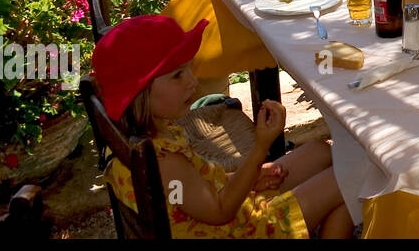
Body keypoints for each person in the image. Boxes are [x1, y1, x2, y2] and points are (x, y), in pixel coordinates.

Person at [93, 15, 353, 238]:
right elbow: (219, 211)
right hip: (241, 229)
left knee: (321, 151)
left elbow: (191, 191)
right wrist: (260, 147)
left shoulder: (148, 135)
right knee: (350, 177)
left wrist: (252, 177)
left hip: (226, 211)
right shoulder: (164, 162)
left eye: (188, 70)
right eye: (177, 75)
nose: (192, 82)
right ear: (139, 94)